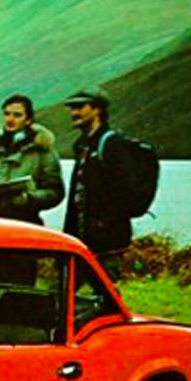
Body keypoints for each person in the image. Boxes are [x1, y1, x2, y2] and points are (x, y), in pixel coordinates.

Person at [62, 88, 136, 278]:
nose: (73, 113)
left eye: (80, 107)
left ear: (97, 109)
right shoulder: (83, 146)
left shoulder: (112, 145)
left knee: (105, 288)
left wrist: (105, 225)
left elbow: (124, 192)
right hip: (80, 240)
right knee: (68, 289)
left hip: (107, 243)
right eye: (72, 108)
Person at [0, 94, 64, 224]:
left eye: (17, 115)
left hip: (26, 222)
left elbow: (55, 192)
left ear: (28, 120)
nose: (10, 119)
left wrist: (28, 198)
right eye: (7, 114)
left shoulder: (42, 150)